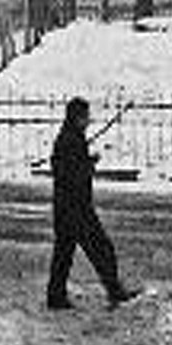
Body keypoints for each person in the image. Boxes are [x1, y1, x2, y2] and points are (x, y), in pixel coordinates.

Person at [46, 97, 141, 311]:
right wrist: (89, 164)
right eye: (85, 116)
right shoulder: (70, 140)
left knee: (64, 254)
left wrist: (85, 161)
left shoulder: (69, 137)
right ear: (77, 118)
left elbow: (65, 167)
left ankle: (56, 296)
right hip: (77, 209)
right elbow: (70, 173)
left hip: (66, 208)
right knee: (102, 249)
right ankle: (114, 291)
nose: (88, 120)